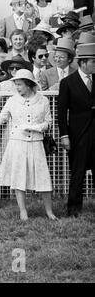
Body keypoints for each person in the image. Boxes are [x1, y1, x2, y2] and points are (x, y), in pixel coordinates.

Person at [0, 69, 57, 221]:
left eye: (20, 84)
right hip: (17, 142)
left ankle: (49, 211)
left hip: (36, 142)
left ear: (29, 84)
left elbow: (48, 122)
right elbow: (0, 119)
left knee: (43, 177)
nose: (17, 88)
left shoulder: (43, 100)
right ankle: (23, 211)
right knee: (19, 177)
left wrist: (38, 127)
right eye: (16, 84)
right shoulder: (12, 100)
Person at [58, 43, 95, 217]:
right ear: (83, 63)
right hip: (78, 135)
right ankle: (73, 209)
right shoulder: (67, 82)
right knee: (78, 172)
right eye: (93, 62)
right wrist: (64, 135)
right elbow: (61, 111)